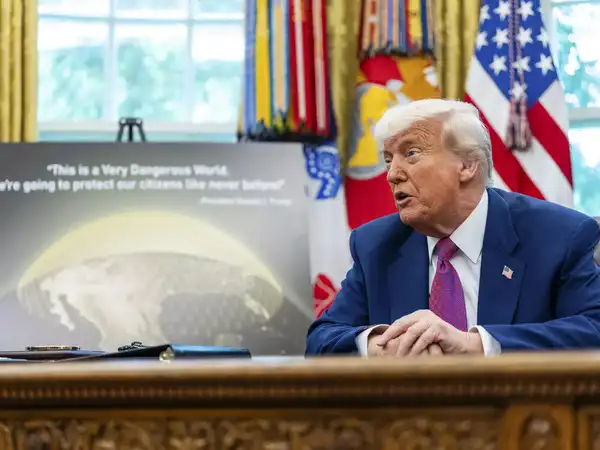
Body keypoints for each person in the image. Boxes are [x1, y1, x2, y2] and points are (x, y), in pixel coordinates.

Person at [305, 99, 600, 357]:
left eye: (411, 153)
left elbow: (593, 327)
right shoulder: (376, 245)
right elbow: (321, 339)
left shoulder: (557, 235)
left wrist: (475, 345)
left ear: (467, 165)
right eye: (388, 160)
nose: (392, 174)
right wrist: (379, 346)